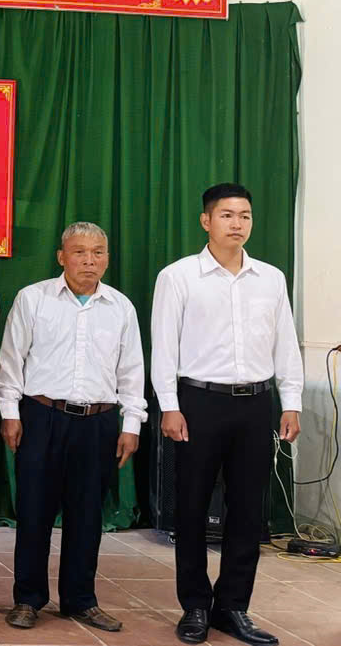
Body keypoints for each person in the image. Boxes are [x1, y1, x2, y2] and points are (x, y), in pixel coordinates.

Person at [152, 183, 302, 646]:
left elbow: (285, 342)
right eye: (227, 215)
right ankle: (196, 605)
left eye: (245, 216)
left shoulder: (271, 278)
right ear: (206, 221)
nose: (237, 224)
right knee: (192, 507)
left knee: (247, 511)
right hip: (199, 402)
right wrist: (169, 405)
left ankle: (233, 607)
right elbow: (164, 346)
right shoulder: (178, 276)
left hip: (256, 404)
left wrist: (291, 401)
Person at [0, 222, 145, 633]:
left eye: (98, 252)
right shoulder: (33, 298)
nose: (89, 260)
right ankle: (28, 599)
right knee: (34, 512)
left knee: (87, 515)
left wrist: (131, 423)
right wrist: (10, 413)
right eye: (79, 252)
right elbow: (11, 361)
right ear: (62, 257)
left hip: (98, 423)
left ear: (107, 259)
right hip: (41, 416)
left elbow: (132, 371)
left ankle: (80, 600)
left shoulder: (121, 307)